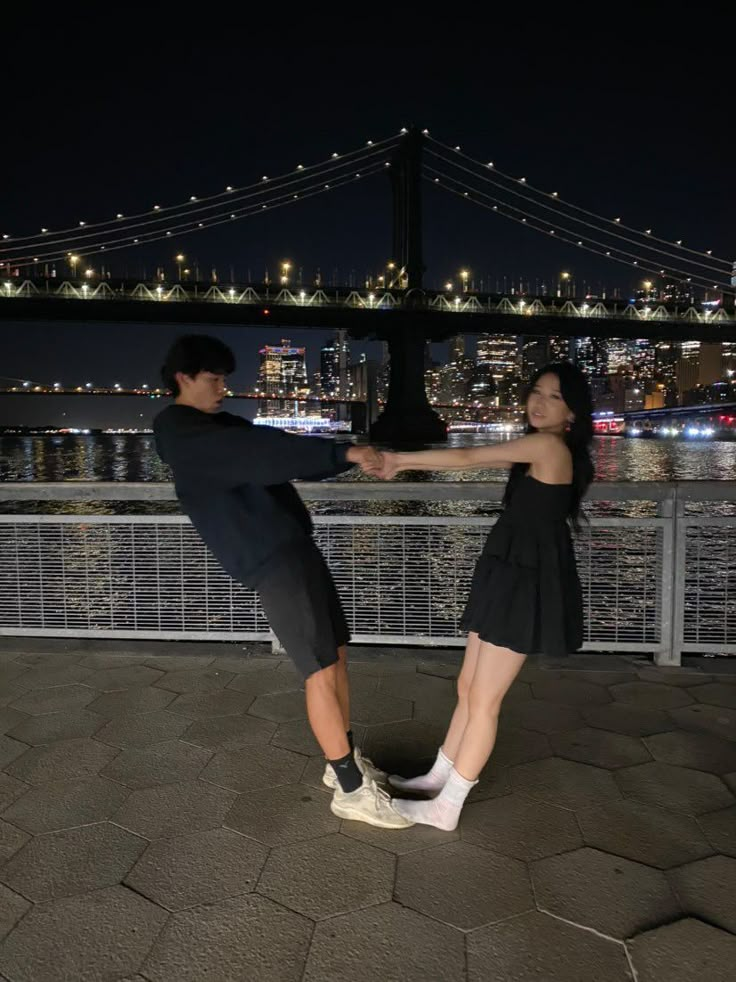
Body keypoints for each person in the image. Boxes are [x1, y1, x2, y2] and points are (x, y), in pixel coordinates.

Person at [153, 334, 412, 830]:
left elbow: (273, 448)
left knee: (334, 655)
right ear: (183, 379)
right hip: (273, 561)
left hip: (293, 549)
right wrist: (349, 454)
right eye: (214, 378)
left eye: (225, 377)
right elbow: (269, 452)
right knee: (318, 669)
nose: (224, 387)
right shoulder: (185, 432)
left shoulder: (214, 426)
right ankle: (351, 792)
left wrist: (342, 455)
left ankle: (343, 765)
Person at [370, 362, 594, 831]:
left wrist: (400, 461)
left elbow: (469, 458)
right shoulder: (544, 446)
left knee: (486, 699)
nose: (539, 402)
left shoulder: (548, 445)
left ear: (572, 411)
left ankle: (446, 805)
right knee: (468, 687)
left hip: (526, 579)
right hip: (511, 570)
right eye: (536, 391)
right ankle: (437, 777)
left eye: (553, 396)